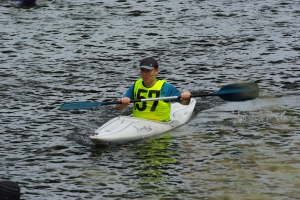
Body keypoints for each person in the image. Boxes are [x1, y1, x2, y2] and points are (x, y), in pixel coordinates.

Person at [116, 57, 191, 122]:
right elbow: (118, 108)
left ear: (156, 71)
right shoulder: (136, 85)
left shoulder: (165, 87)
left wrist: (186, 97)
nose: (145, 74)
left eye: (148, 71)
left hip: (160, 123)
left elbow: (185, 103)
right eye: (143, 70)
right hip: (138, 122)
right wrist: (123, 102)